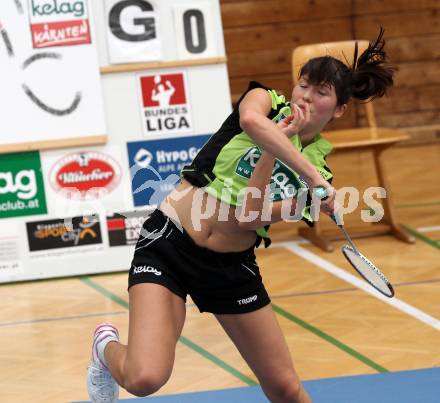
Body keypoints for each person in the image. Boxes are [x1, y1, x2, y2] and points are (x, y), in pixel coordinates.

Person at [87, 28, 394, 403]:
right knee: (145, 378)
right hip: (169, 244)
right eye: (303, 85)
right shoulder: (263, 101)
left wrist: (296, 174)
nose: (306, 96)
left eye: (321, 92)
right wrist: (302, 166)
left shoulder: (320, 179)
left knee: (285, 388)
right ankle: (105, 348)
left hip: (230, 269)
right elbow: (251, 123)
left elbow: (250, 215)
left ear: (340, 109)